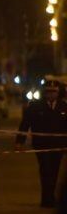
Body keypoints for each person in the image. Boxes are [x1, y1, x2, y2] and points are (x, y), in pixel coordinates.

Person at [16, 79, 67, 207]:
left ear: (58, 92)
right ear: (44, 93)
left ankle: (49, 197)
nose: (51, 94)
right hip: (41, 145)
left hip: (58, 145)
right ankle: (47, 199)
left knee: (54, 171)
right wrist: (19, 141)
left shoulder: (64, 106)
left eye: (53, 92)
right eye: (48, 92)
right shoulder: (35, 106)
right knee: (45, 170)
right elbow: (25, 124)